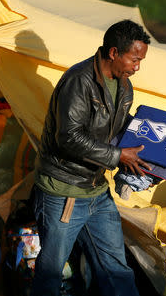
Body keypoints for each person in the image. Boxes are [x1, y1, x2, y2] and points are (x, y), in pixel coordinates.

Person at [30, 20, 151, 296]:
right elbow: (69, 137)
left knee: (117, 272)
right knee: (50, 275)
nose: (137, 66)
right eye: (134, 58)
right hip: (64, 193)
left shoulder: (124, 86)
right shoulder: (78, 81)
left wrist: (154, 156)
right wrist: (119, 156)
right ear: (113, 53)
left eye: (141, 60)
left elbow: (117, 127)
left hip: (96, 191)